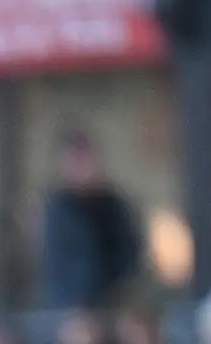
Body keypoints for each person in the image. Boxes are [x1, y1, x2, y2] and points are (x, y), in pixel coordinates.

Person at [37, 127, 143, 311]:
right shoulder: (56, 212)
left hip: (112, 308)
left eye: (86, 159)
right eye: (76, 161)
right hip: (67, 313)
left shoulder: (113, 207)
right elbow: (57, 269)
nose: (83, 168)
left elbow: (129, 259)